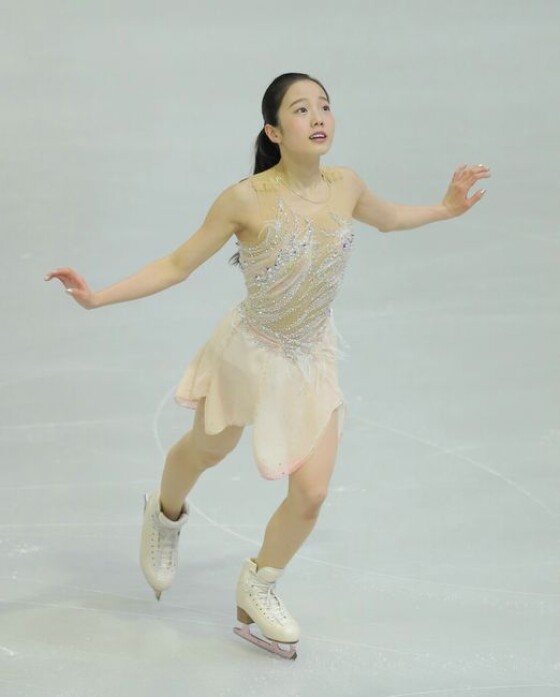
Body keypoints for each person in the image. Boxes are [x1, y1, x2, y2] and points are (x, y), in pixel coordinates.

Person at [45, 72, 491, 659]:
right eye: (301, 109)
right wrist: (99, 297)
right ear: (274, 131)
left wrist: (445, 208)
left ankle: (258, 584)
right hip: (250, 352)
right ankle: (165, 514)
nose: (318, 117)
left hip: (311, 359)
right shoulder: (246, 199)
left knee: (311, 494)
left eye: (324, 106)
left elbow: (388, 218)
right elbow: (178, 264)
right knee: (207, 450)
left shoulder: (346, 185)